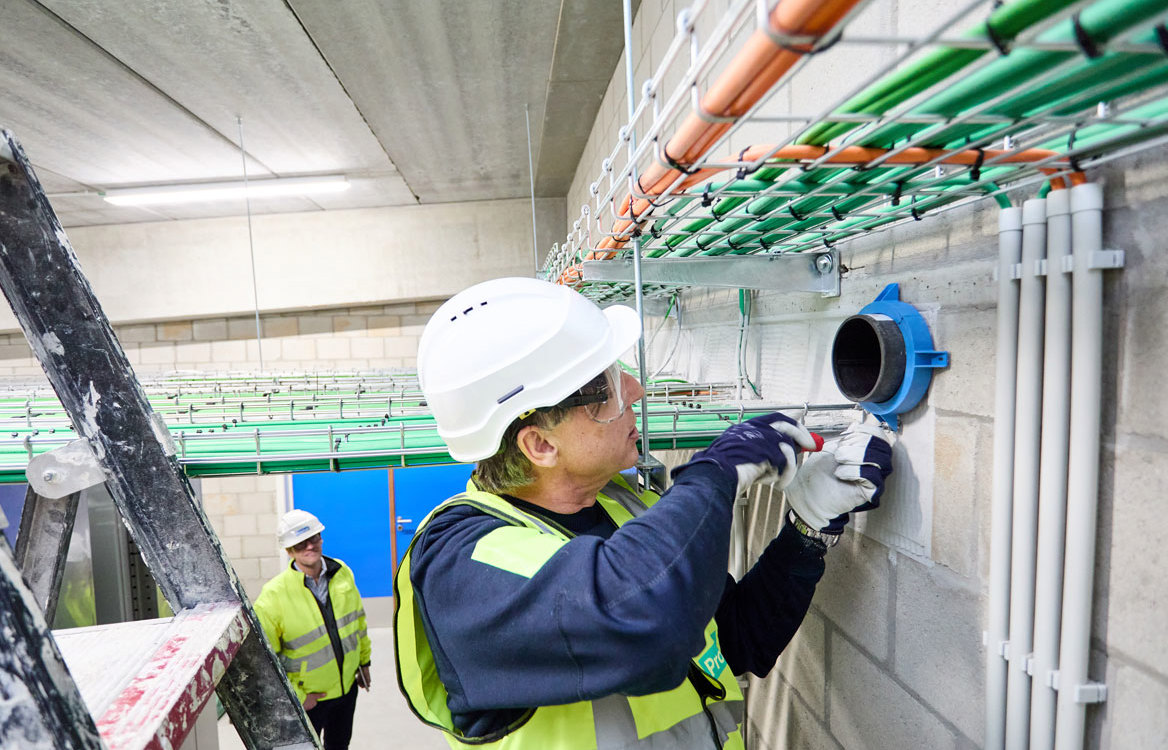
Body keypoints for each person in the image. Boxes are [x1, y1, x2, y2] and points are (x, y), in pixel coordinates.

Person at [395, 277, 893, 749]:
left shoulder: (626, 506)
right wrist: (714, 475)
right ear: (541, 443)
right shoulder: (459, 568)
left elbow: (734, 641)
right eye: (606, 386)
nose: (634, 390)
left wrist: (805, 528)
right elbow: (643, 624)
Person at [254, 509, 372, 750]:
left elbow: (357, 621)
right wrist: (298, 696)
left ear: (321, 538)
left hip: (347, 689)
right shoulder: (273, 595)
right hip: (311, 699)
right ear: (289, 551)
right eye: (299, 544)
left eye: (313, 539)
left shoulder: (342, 572)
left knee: (339, 745)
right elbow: (264, 660)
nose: (309, 547)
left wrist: (363, 662)